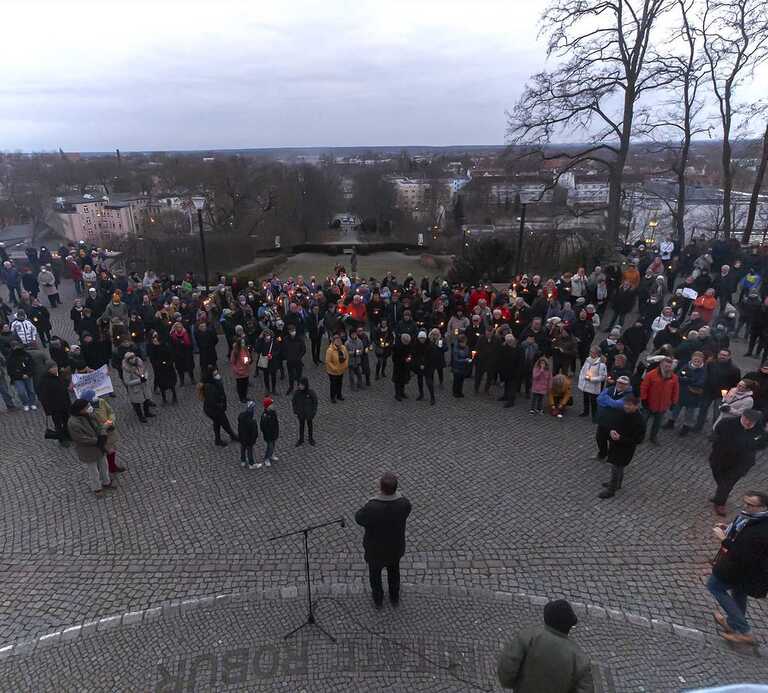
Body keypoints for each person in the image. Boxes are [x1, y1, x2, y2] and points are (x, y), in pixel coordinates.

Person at [707, 491, 768, 644]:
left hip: (742, 569)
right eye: (745, 502)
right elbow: (744, 535)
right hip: (746, 570)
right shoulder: (752, 518)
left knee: (714, 586)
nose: (745, 507)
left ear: (764, 507)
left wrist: (724, 539)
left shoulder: (762, 530)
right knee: (739, 593)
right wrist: (729, 529)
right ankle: (733, 624)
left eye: (750, 505)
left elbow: (743, 555)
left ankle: (746, 632)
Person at [497, 599, 594, 692]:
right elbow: (586, 688)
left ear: (547, 619)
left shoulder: (528, 637)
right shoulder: (579, 658)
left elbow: (507, 669)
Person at [354, 472, 412, 608]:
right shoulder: (403, 504)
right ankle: (394, 597)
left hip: (375, 550)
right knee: (394, 572)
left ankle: (378, 600)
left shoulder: (372, 507)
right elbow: (407, 506)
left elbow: (359, 518)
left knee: (375, 576)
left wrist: (372, 499)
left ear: (381, 488)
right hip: (394, 548)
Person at [709, 410, 767, 516]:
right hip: (720, 458)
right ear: (742, 416)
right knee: (720, 479)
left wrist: (750, 444)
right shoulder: (726, 423)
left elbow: (762, 444)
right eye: (746, 419)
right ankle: (720, 494)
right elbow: (716, 434)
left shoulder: (759, 430)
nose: (748, 423)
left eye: (751, 421)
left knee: (727, 483)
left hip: (741, 463)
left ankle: (720, 503)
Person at [597, 395, 646, 498]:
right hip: (616, 445)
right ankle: (617, 484)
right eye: (625, 404)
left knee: (616, 468)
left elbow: (637, 440)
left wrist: (620, 438)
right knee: (619, 467)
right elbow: (614, 423)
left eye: (629, 405)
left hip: (625, 449)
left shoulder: (639, 421)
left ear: (636, 406)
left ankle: (611, 490)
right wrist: (612, 431)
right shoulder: (623, 412)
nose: (626, 406)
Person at [67, 398, 114, 496]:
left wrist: (102, 433)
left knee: (104, 465)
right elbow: (80, 438)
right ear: (80, 409)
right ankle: (97, 488)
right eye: (87, 406)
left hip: (99, 446)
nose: (90, 407)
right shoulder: (73, 423)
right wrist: (97, 440)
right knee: (93, 471)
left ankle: (106, 482)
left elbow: (98, 425)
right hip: (88, 450)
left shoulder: (90, 414)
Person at [695, 349, 741, 431]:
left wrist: (730, 394)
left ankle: (714, 431)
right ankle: (698, 426)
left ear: (729, 357)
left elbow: (735, 384)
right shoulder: (711, 364)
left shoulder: (735, 369)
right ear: (718, 354)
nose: (722, 356)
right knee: (702, 410)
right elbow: (706, 375)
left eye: (725, 355)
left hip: (721, 394)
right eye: (721, 354)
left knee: (717, 414)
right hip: (708, 391)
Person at [82, 387, 126, 474]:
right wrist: (103, 427)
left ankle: (112, 467)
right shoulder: (87, 411)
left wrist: (111, 421)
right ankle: (106, 471)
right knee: (104, 453)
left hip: (110, 430)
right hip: (100, 434)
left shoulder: (101, 401)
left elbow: (110, 412)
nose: (96, 397)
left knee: (112, 450)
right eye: (93, 396)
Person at [662, 351, 706, 436]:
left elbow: (700, 382)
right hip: (681, 393)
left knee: (689, 413)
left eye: (699, 360)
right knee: (676, 409)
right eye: (695, 359)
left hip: (693, 395)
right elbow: (678, 377)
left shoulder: (703, 371)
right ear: (692, 358)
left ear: (702, 360)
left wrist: (686, 379)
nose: (696, 361)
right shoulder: (686, 366)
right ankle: (671, 422)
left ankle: (686, 427)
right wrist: (690, 380)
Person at [639, 357, 679, 444]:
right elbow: (644, 387)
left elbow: (675, 391)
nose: (667, 368)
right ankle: (640, 436)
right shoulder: (650, 374)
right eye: (665, 366)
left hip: (663, 405)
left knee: (657, 423)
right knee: (643, 422)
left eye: (669, 366)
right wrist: (644, 399)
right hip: (649, 403)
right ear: (661, 365)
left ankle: (653, 437)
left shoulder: (674, 377)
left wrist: (674, 402)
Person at [593, 376, 634, 460]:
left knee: (614, 441)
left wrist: (606, 400)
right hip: (604, 420)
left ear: (628, 385)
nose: (620, 385)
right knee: (600, 438)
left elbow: (618, 405)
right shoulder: (610, 389)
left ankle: (612, 458)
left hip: (617, 423)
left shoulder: (629, 395)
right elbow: (599, 399)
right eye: (619, 382)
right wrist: (612, 403)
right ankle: (602, 454)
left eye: (623, 384)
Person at [200, 366, 238, 447]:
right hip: (214, 409)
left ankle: (218, 439)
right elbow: (212, 401)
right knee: (224, 422)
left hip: (213, 409)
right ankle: (232, 436)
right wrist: (220, 405)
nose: (217, 375)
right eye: (215, 374)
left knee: (217, 422)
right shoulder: (209, 386)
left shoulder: (213, 382)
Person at [38, 362, 70, 445]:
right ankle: (62, 439)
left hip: (64, 404)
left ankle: (67, 435)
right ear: (48, 369)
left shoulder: (59, 376)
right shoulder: (44, 380)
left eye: (56, 367)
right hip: (55, 407)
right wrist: (47, 409)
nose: (55, 369)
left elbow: (64, 387)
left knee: (66, 421)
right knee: (58, 424)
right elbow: (43, 396)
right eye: (53, 368)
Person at [122, 351, 155, 423]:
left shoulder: (140, 363)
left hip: (144, 386)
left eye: (133, 357)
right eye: (130, 359)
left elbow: (145, 371)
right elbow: (127, 382)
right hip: (135, 389)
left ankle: (147, 413)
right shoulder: (126, 369)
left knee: (146, 400)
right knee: (137, 403)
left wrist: (145, 377)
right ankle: (140, 416)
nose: (133, 359)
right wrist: (139, 380)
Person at [577, 346, 607, 421]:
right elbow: (583, 370)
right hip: (586, 384)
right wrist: (583, 378)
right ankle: (585, 412)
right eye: (590, 352)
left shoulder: (601, 364)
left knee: (594, 402)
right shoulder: (588, 360)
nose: (590, 353)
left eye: (592, 352)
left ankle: (594, 415)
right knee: (585, 399)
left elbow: (602, 377)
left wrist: (591, 379)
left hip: (594, 386)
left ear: (597, 354)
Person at [7, 342, 37, 411]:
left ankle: (32, 403)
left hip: (28, 376)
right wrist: (20, 375)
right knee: (21, 392)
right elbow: (10, 369)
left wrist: (28, 374)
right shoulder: (10, 357)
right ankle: (25, 403)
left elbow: (31, 365)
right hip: (17, 378)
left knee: (31, 390)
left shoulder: (26, 354)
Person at [291, 376, 318, 446]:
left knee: (310, 426)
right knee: (301, 426)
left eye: (301, 385)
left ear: (305, 385)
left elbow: (315, 403)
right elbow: (294, 402)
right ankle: (301, 439)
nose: (300, 386)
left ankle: (311, 439)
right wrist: (296, 411)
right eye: (299, 385)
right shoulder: (297, 393)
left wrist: (313, 412)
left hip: (309, 414)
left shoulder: (311, 393)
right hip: (301, 413)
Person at [282, 323, 306, 395]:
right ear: (288, 331)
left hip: (298, 361)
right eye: (291, 330)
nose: (292, 332)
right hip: (290, 361)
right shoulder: (286, 339)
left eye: (293, 330)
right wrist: (287, 357)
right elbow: (283, 349)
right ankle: (291, 387)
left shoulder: (300, 339)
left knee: (299, 376)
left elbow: (303, 349)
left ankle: (299, 388)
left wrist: (299, 357)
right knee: (291, 375)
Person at [325, 334, 349, 403]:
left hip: (341, 370)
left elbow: (346, 356)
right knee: (333, 384)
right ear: (333, 341)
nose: (338, 342)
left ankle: (339, 395)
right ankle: (332, 397)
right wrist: (334, 368)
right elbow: (328, 361)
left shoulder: (343, 348)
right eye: (337, 340)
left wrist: (346, 364)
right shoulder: (330, 350)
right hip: (333, 371)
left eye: (339, 340)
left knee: (339, 383)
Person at [237, 400, 260, 469]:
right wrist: (253, 440)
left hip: (242, 437)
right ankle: (251, 464)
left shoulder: (241, 416)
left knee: (243, 448)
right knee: (249, 451)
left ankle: (243, 461)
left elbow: (239, 427)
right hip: (249, 440)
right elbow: (254, 433)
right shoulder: (252, 422)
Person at [229, 338, 252, 403]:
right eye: (242, 342)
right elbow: (232, 362)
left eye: (244, 342)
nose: (243, 344)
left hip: (245, 371)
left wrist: (248, 361)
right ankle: (241, 397)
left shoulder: (245, 349)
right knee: (240, 385)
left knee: (245, 385)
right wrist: (237, 370)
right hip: (239, 372)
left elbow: (248, 357)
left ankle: (244, 396)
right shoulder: (235, 351)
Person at [392, 332, 413, 401]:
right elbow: (394, 358)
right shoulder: (397, 346)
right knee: (397, 381)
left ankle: (402, 392)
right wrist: (404, 359)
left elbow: (410, 353)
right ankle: (397, 394)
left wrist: (409, 358)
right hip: (398, 366)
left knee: (403, 380)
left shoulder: (409, 345)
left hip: (405, 366)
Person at [260, 396, 280, 466]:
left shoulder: (273, 412)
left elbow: (275, 422)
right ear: (267, 406)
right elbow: (262, 427)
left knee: (273, 445)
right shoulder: (265, 416)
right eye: (271, 404)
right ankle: (266, 458)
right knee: (270, 447)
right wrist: (267, 434)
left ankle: (271, 455)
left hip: (273, 433)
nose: (273, 405)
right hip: (268, 435)